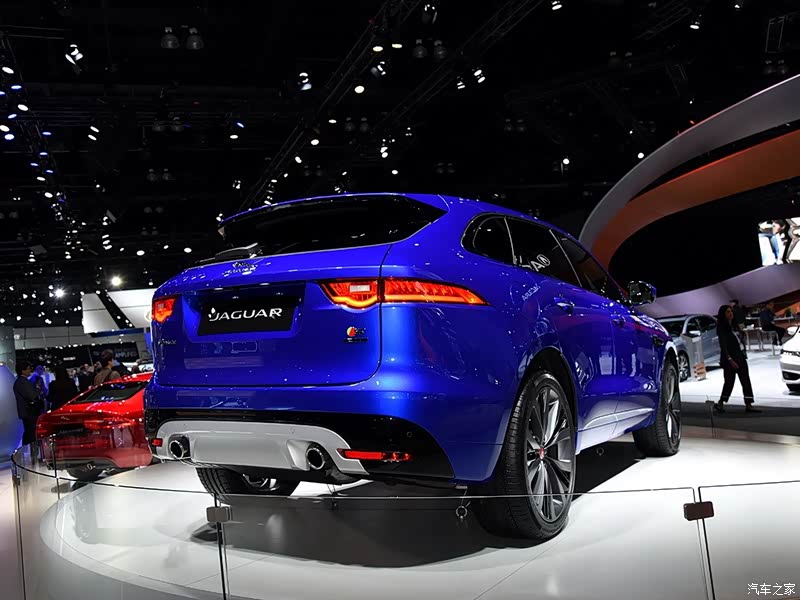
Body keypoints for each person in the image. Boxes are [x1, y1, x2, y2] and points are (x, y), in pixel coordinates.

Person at [716, 304, 760, 414]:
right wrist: (730, 359)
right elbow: (723, 345)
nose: (730, 313)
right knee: (729, 382)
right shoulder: (721, 328)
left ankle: (749, 404)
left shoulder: (735, 326)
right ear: (723, 314)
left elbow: (740, 340)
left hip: (740, 355)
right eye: (727, 312)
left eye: (731, 311)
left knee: (746, 380)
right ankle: (721, 402)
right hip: (729, 358)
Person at [14, 361, 44, 445]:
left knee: (30, 432)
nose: (30, 370)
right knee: (30, 433)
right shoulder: (22, 382)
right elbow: (31, 395)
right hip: (29, 412)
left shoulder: (22, 381)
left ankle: (29, 448)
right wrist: (38, 388)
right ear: (23, 370)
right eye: (28, 368)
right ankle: (30, 449)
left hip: (29, 411)